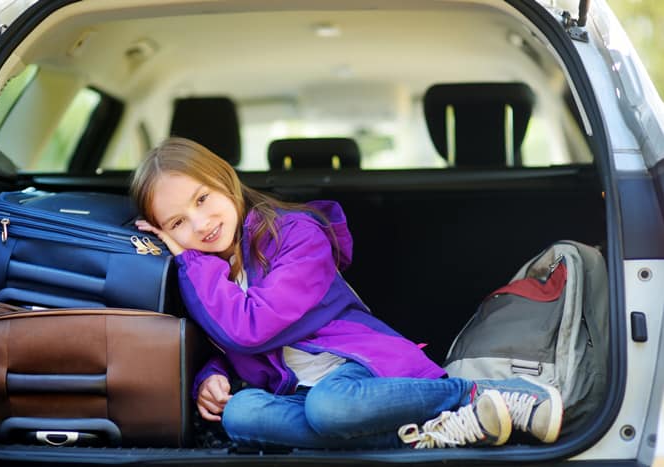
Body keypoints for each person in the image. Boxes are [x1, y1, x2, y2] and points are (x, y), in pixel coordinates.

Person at [131, 136, 563, 450]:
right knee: (239, 414)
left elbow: (252, 328)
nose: (199, 223)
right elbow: (228, 343)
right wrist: (211, 376)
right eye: (176, 224)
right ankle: (428, 435)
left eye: (202, 199)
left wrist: (191, 261)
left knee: (330, 411)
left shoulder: (296, 235)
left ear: (225, 180)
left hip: (361, 375)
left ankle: (475, 394)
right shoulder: (206, 271)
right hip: (297, 394)